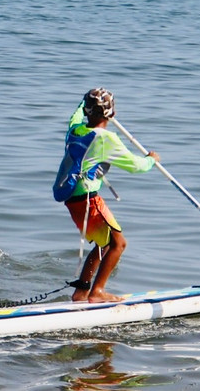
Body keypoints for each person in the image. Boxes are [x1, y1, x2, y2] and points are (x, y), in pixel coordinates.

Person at [56, 88, 158, 302]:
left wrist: (82, 104)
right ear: (111, 114)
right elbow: (135, 166)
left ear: (87, 111)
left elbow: (75, 116)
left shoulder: (75, 130)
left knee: (104, 244)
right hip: (88, 200)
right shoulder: (105, 139)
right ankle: (97, 292)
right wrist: (151, 160)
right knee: (118, 244)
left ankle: (82, 291)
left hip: (73, 199)